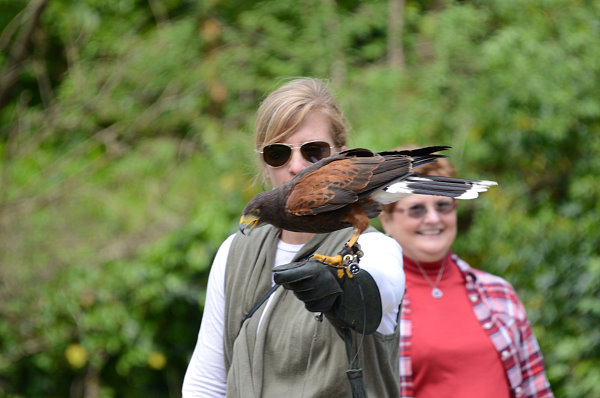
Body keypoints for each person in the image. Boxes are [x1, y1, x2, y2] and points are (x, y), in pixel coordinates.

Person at [182, 78, 405, 397]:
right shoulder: (234, 253)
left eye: (314, 152)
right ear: (263, 162)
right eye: (278, 153)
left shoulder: (375, 248)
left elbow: (383, 290)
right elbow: (207, 382)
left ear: (341, 157)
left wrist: (350, 286)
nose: (297, 166)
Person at [378, 147, 553, 398]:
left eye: (443, 206)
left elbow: (536, 390)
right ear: (387, 219)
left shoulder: (498, 293)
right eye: (417, 209)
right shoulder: (377, 302)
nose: (433, 219)